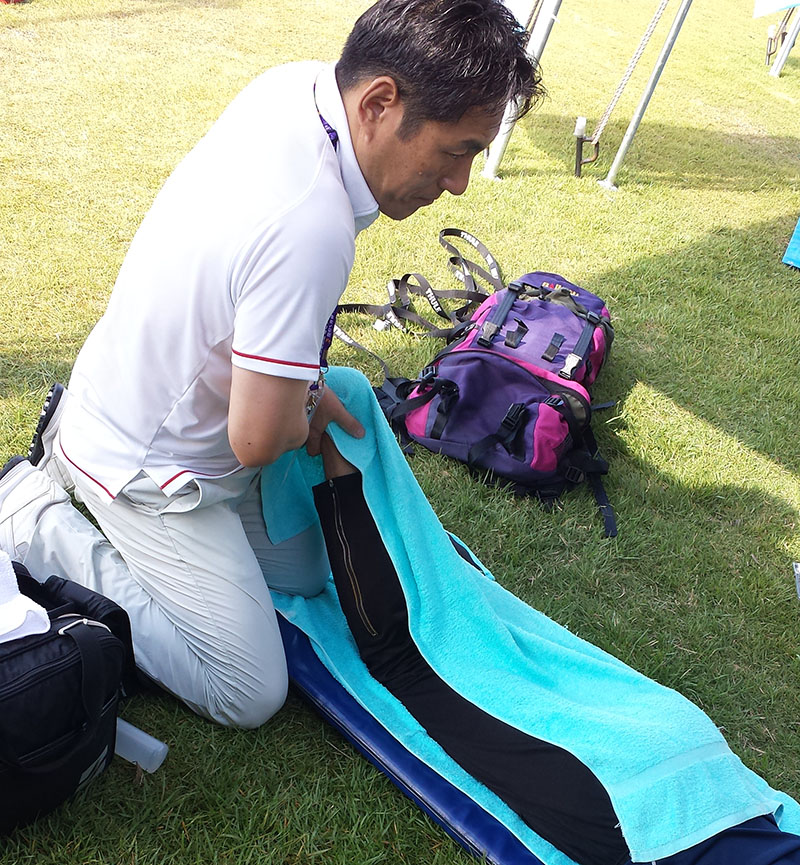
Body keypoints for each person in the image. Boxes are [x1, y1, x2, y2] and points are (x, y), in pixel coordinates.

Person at [0, 0, 543, 728]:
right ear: (379, 103)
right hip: (148, 466)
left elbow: (252, 296)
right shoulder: (310, 224)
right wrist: (305, 404)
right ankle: (37, 517)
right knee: (248, 690)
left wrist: (308, 390)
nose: (460, 182)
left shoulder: (299, 87)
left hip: (138, 391)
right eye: (456, 151)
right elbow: (258, 438)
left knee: (309, 572)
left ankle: (88, 463)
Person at [311, 430, 800, 865]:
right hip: (639, 813)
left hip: (702, 768)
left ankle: (342, 438)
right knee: (412, 665)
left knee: (503, 655)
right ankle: (337, 436)